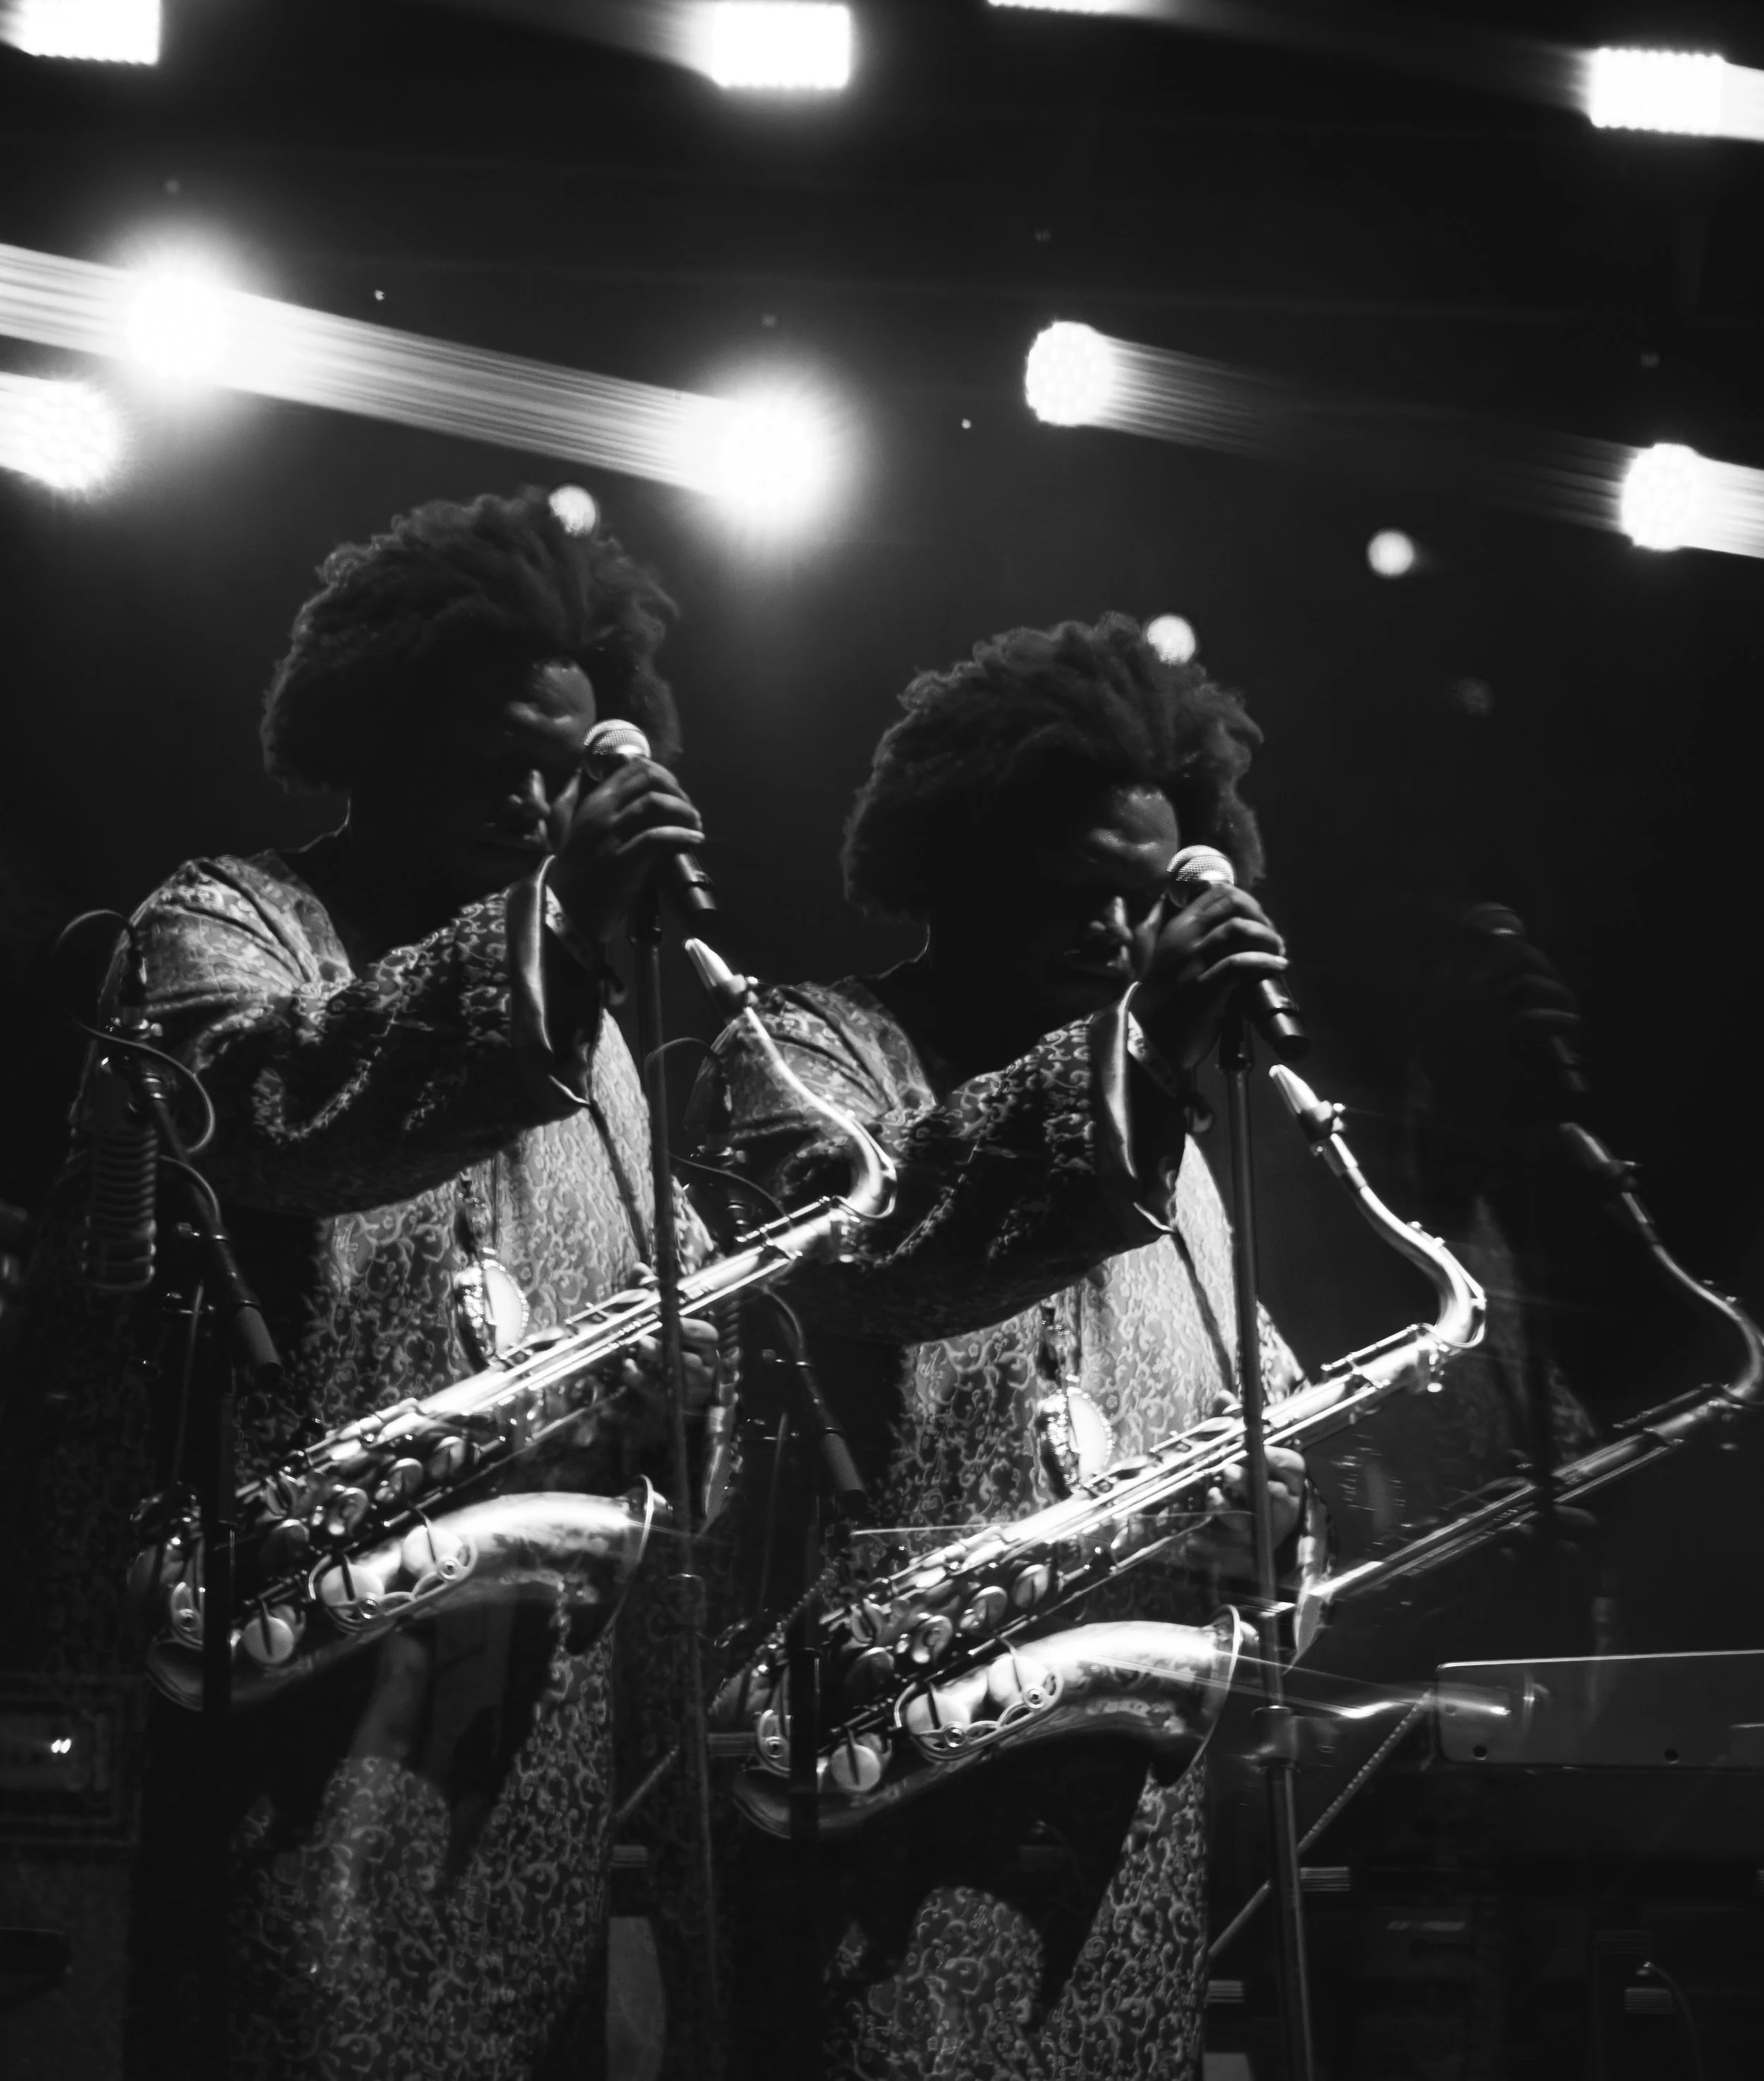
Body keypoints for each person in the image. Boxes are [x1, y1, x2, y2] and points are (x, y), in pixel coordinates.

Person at [0, 487, 713, 2081]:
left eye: (571, 764)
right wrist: (550, 936)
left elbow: (662, 1333)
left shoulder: (601, 1043)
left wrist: (672, 1410)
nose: (539, 803)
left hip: (517, 1763)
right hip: (275, 1749)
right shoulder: (227, 920)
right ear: (377, 739)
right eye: (497, 763)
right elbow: (270, 1111)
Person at [686, 613, 1307, 2079]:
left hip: (1115, 1852)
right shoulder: (800, 1049)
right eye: (1074, 889)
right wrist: (1140, 1057)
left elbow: (1258, 1398)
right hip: (866, 1819)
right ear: (958, 866)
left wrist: (1279, 1520)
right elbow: (873, 1257)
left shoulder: (1164, 1129)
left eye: (1147, 895)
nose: (1114, 933)